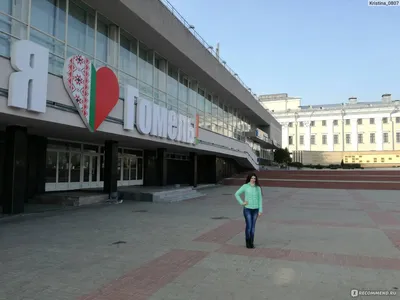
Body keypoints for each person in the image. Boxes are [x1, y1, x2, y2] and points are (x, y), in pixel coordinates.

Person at [234, 173, 263, 249]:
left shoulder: (258, 188)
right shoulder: (245, 186)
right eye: (252, 178)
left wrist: (260, 210)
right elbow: (237, 194)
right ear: (249, 179)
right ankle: (247, 241)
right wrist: (242, 203)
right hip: (247, 209)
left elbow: (260, 199)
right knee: (249, 226)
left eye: (254, 178)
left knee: (253, 227)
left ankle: (251, 242)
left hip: (256, 209)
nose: (253, 180)